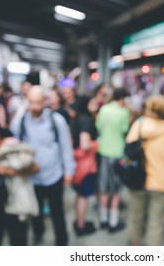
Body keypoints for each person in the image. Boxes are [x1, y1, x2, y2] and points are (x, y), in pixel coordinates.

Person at [11, 86, 75, 245]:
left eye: (38, 102)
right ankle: (38, 233)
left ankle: (62, 241)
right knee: (35, 211)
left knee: (57, 212)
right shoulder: (22, 120)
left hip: (54, 175)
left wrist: (69, 171)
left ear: (45, 101)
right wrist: (21, 110)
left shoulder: (56, 120)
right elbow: (13, 131)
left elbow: (65, 146)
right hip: (32, 177)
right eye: (31, 102)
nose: (35, 107)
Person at [126, 95, 164, 245]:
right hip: (162, 182)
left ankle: (135, 246)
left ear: (148, 108)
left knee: (136, 217)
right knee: (155, 224)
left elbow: (129, 151)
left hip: (139, 180)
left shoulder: (139, 125)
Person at [0, 121, 39, 245]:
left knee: (18, 240)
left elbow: (35, 168)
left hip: (14, 204)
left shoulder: (12, 148)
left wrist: (9, 172)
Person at [95, 87, 130, 232]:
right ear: (122, 99)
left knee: (103, 189)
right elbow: (124, 130)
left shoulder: (103, 109)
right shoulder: (124, 112)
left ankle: (103, 219)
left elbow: (98, 127)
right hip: (117, 155)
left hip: (103, 153)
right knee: (115, 191)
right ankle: (113, 222)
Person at [71, 95, 99, 236]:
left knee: (79, 194)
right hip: (86, 166)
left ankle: (78, 221)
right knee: (83, 196)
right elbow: (85, 144)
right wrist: (98, 144)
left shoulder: (79, 118)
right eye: (93, 101)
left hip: (78, 165)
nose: (96, 103)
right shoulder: (86, 120)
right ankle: (81, 226)